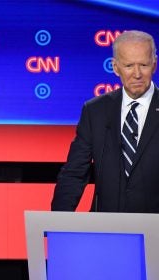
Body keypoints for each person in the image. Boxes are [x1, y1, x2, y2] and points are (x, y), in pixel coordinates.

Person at [51, 30, 158, 213]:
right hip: (105, 229)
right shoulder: (95, 111)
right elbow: (75, 173)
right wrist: (57, 224)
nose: (137, 74)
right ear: (115, 67)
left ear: (154, 64)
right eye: (129, 65)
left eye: (144, 65)